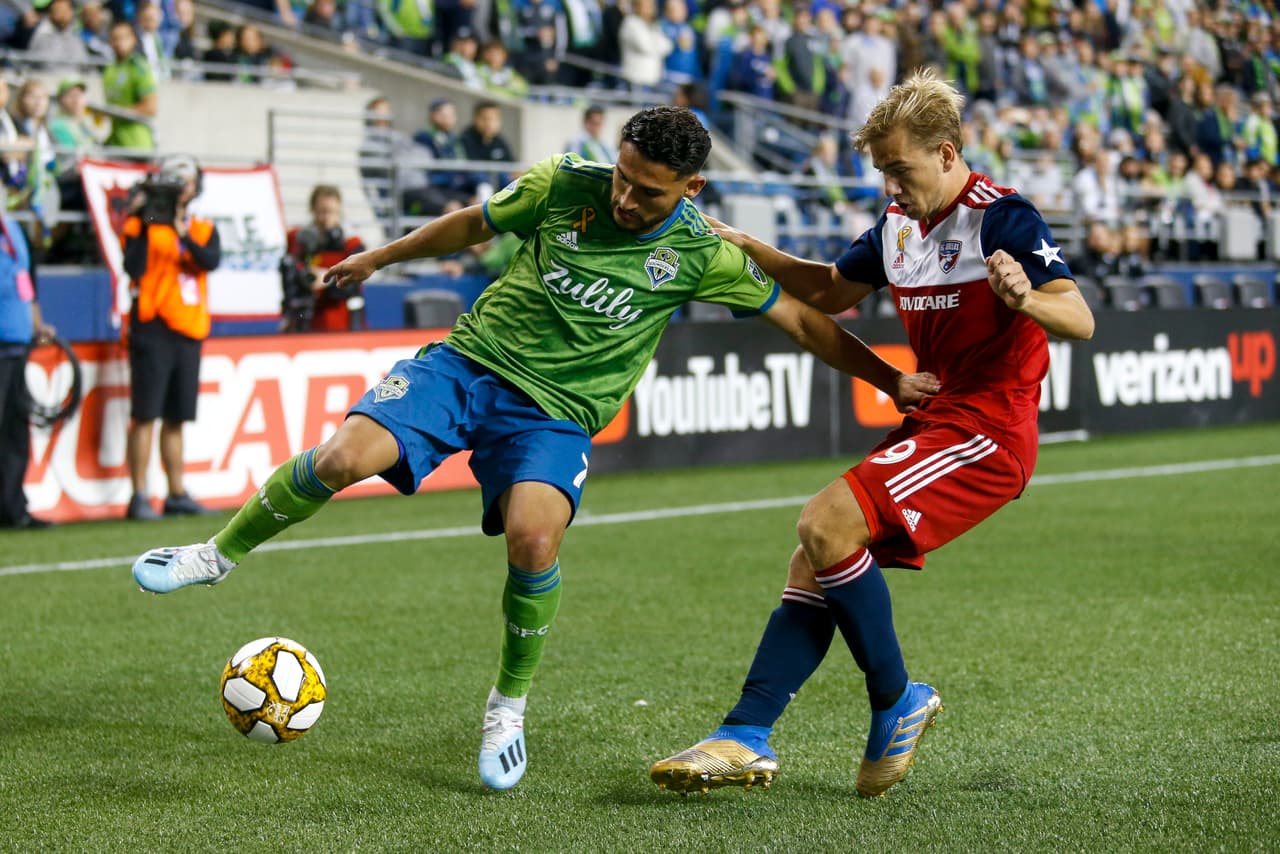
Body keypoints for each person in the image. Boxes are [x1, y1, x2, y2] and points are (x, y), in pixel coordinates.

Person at [128, 106, 939, 793]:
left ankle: (506, 705)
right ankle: (217, 551)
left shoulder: (703, 253)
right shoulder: (566, 185)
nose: (624, 196)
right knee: (342, 459)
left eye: (647, 190)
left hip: (555, 416)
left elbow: (804, 321)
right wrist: (378, 257)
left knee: (535, 536)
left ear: (693, 190)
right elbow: (472, 225)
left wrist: (888, 376)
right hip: (467, 365)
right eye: (621, 176)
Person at [649, 69, 1095, 799]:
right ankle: (744, 734)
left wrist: (1025, 298)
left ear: (947, 155)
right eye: (882, 171)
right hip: (937, 420)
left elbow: (1078, 318)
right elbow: (826, 289)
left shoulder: (1002, 218)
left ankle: (897, 699)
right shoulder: (896, 228)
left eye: (900, 168)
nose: (890, 185)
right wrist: (742, 244)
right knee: (813, 560)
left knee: (824, 524)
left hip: (987, 433)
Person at [122, 155, 221, 520]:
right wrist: (146, 220)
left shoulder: (201, 227)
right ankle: (139, 495)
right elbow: (133, 266)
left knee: (177, 417)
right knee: (146, 414)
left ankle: (176, 492)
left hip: (189, 328)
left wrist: (180, 232)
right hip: (152, 326)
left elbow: (208, 260)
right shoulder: (142, 222)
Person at [0, 194, 55, 529]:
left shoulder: (13, 229)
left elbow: (26, 282)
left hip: (17, 342)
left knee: (15, 432)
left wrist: (37, 322)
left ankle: (13, 508)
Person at [280, 184, 366, 332]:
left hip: (337, 321)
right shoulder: (297, 239)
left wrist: (327, 280)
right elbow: (289, 278)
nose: (326, 218)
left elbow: (355, 287)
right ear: (312, 210)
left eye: (331, 212)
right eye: (321, 212)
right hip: (302, 318)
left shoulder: (351, 243)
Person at [102, 19, 158, 153]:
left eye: (124, 37)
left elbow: (150, 107)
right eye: (115, 38)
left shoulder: (139, 67)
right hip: (116, 144)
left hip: (137, 145)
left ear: (133, 39)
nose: (120, 42)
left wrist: (120, 112)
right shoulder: (109, 70)